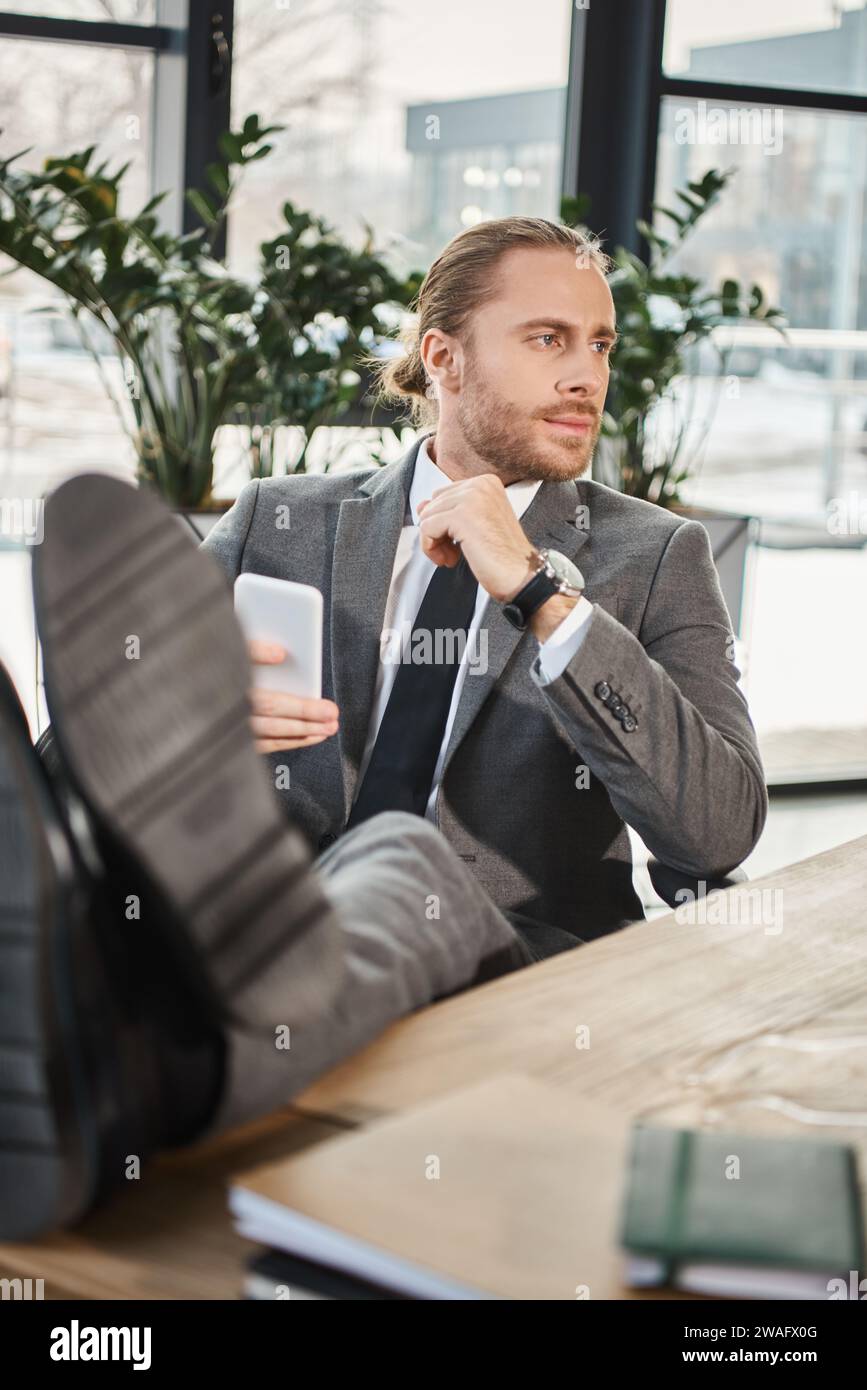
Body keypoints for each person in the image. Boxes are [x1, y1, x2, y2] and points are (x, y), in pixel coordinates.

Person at [0, 216, 766, 1241]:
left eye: (601, 344)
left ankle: (146, 1056)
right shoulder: (284, 521)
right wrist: (205, 729)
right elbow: (98, 772)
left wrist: (539, 592)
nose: (588, 374)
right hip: (260, 934)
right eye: (549, 339)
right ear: (443, 357)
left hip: (511, 968)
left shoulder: (655, 555)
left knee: (402, 856)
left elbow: (716, 829)